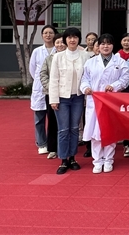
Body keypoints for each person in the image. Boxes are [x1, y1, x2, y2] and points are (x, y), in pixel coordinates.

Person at [80, 34, 129, 174]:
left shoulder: (120, 62)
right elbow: (85, 79)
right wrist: (86, 88)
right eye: (102, 44)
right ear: (98, 46)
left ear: (113, 46)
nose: (105, 46)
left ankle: (108, 159)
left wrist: (114, 86)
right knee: (95, 132)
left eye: (108, 43)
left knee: (109, 131)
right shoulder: (91, 62)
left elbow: (125, 78)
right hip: (94, 101)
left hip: (111, 101)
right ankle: (97, 161)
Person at [48, 27, 92, 175]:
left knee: (74, 128)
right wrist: (53, 99)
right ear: (65, 40)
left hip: (78, 97)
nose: (72, 40)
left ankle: (72, 158)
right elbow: (53, 79)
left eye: (75, 37)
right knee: (63, 129)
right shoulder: (58, 57)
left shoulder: (85, 56)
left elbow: (88, 77)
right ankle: (63, 160)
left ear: (79, 39)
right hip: (62, 98)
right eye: (69, 37)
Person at [29, 25, 57, 155]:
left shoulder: (59, 49)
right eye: (45, 33)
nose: (48, 35)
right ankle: (41, 143)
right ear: (42, 35)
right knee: (39, 118)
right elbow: (32, 69)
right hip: (40, 88)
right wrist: (41, 81)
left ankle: (53, 143)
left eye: (50, 33)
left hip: (54, 88)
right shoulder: (37, 51)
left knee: (53, 118)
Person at [40, 33, 66, 159]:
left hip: (66, 94)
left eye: (62, 42)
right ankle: (52, 148)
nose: (60, 45)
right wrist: (51, 88)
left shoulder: (70, 57)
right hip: (51, 94)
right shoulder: (49, 58)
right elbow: (43, 74)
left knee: (66, 123)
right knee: (52, 121)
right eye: (57, 42)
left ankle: (65, 148)